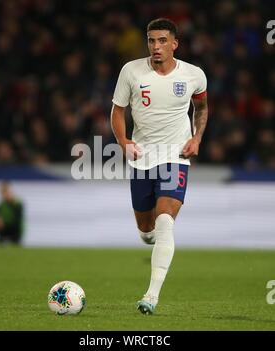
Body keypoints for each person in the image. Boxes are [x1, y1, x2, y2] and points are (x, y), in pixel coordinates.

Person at [110, 18, 208, 314]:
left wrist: (197, 137)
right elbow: (117, 111)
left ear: (175, 43)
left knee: (165, 220)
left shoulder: (193, 75)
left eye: (162, 40)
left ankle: (150, 296)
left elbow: (201, 108)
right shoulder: (131, 71)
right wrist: (124, 141)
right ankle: (151, 237)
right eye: (151, 40)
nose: (156, 46)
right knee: (146, 229)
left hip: (175, 156)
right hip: (142, 158)